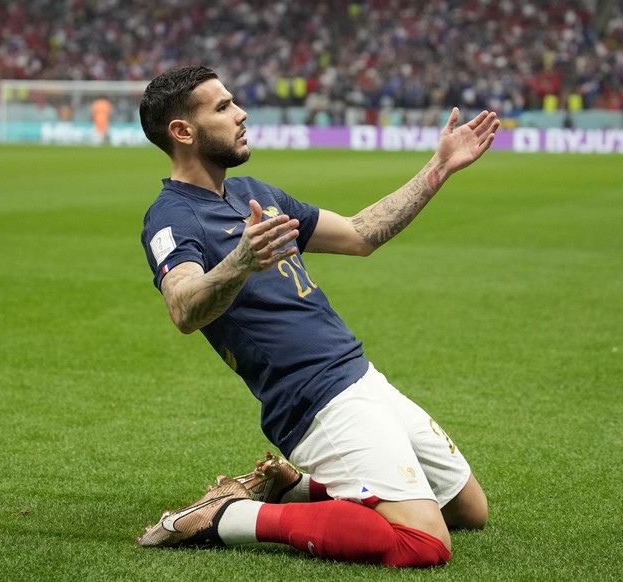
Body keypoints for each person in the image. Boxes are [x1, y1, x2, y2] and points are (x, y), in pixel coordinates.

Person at [136, 65, 498, 568]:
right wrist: (240, 261)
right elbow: (182, 307)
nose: (241, 113)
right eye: (222, 107)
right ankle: (229, 516)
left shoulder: (252, 193)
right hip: (312, 400)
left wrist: (438, 167)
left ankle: (295, 486)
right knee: (424, 545)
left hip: (358, 374)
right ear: (183, 132)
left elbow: (358, 234)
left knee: (468, 510)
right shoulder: (171, 216)